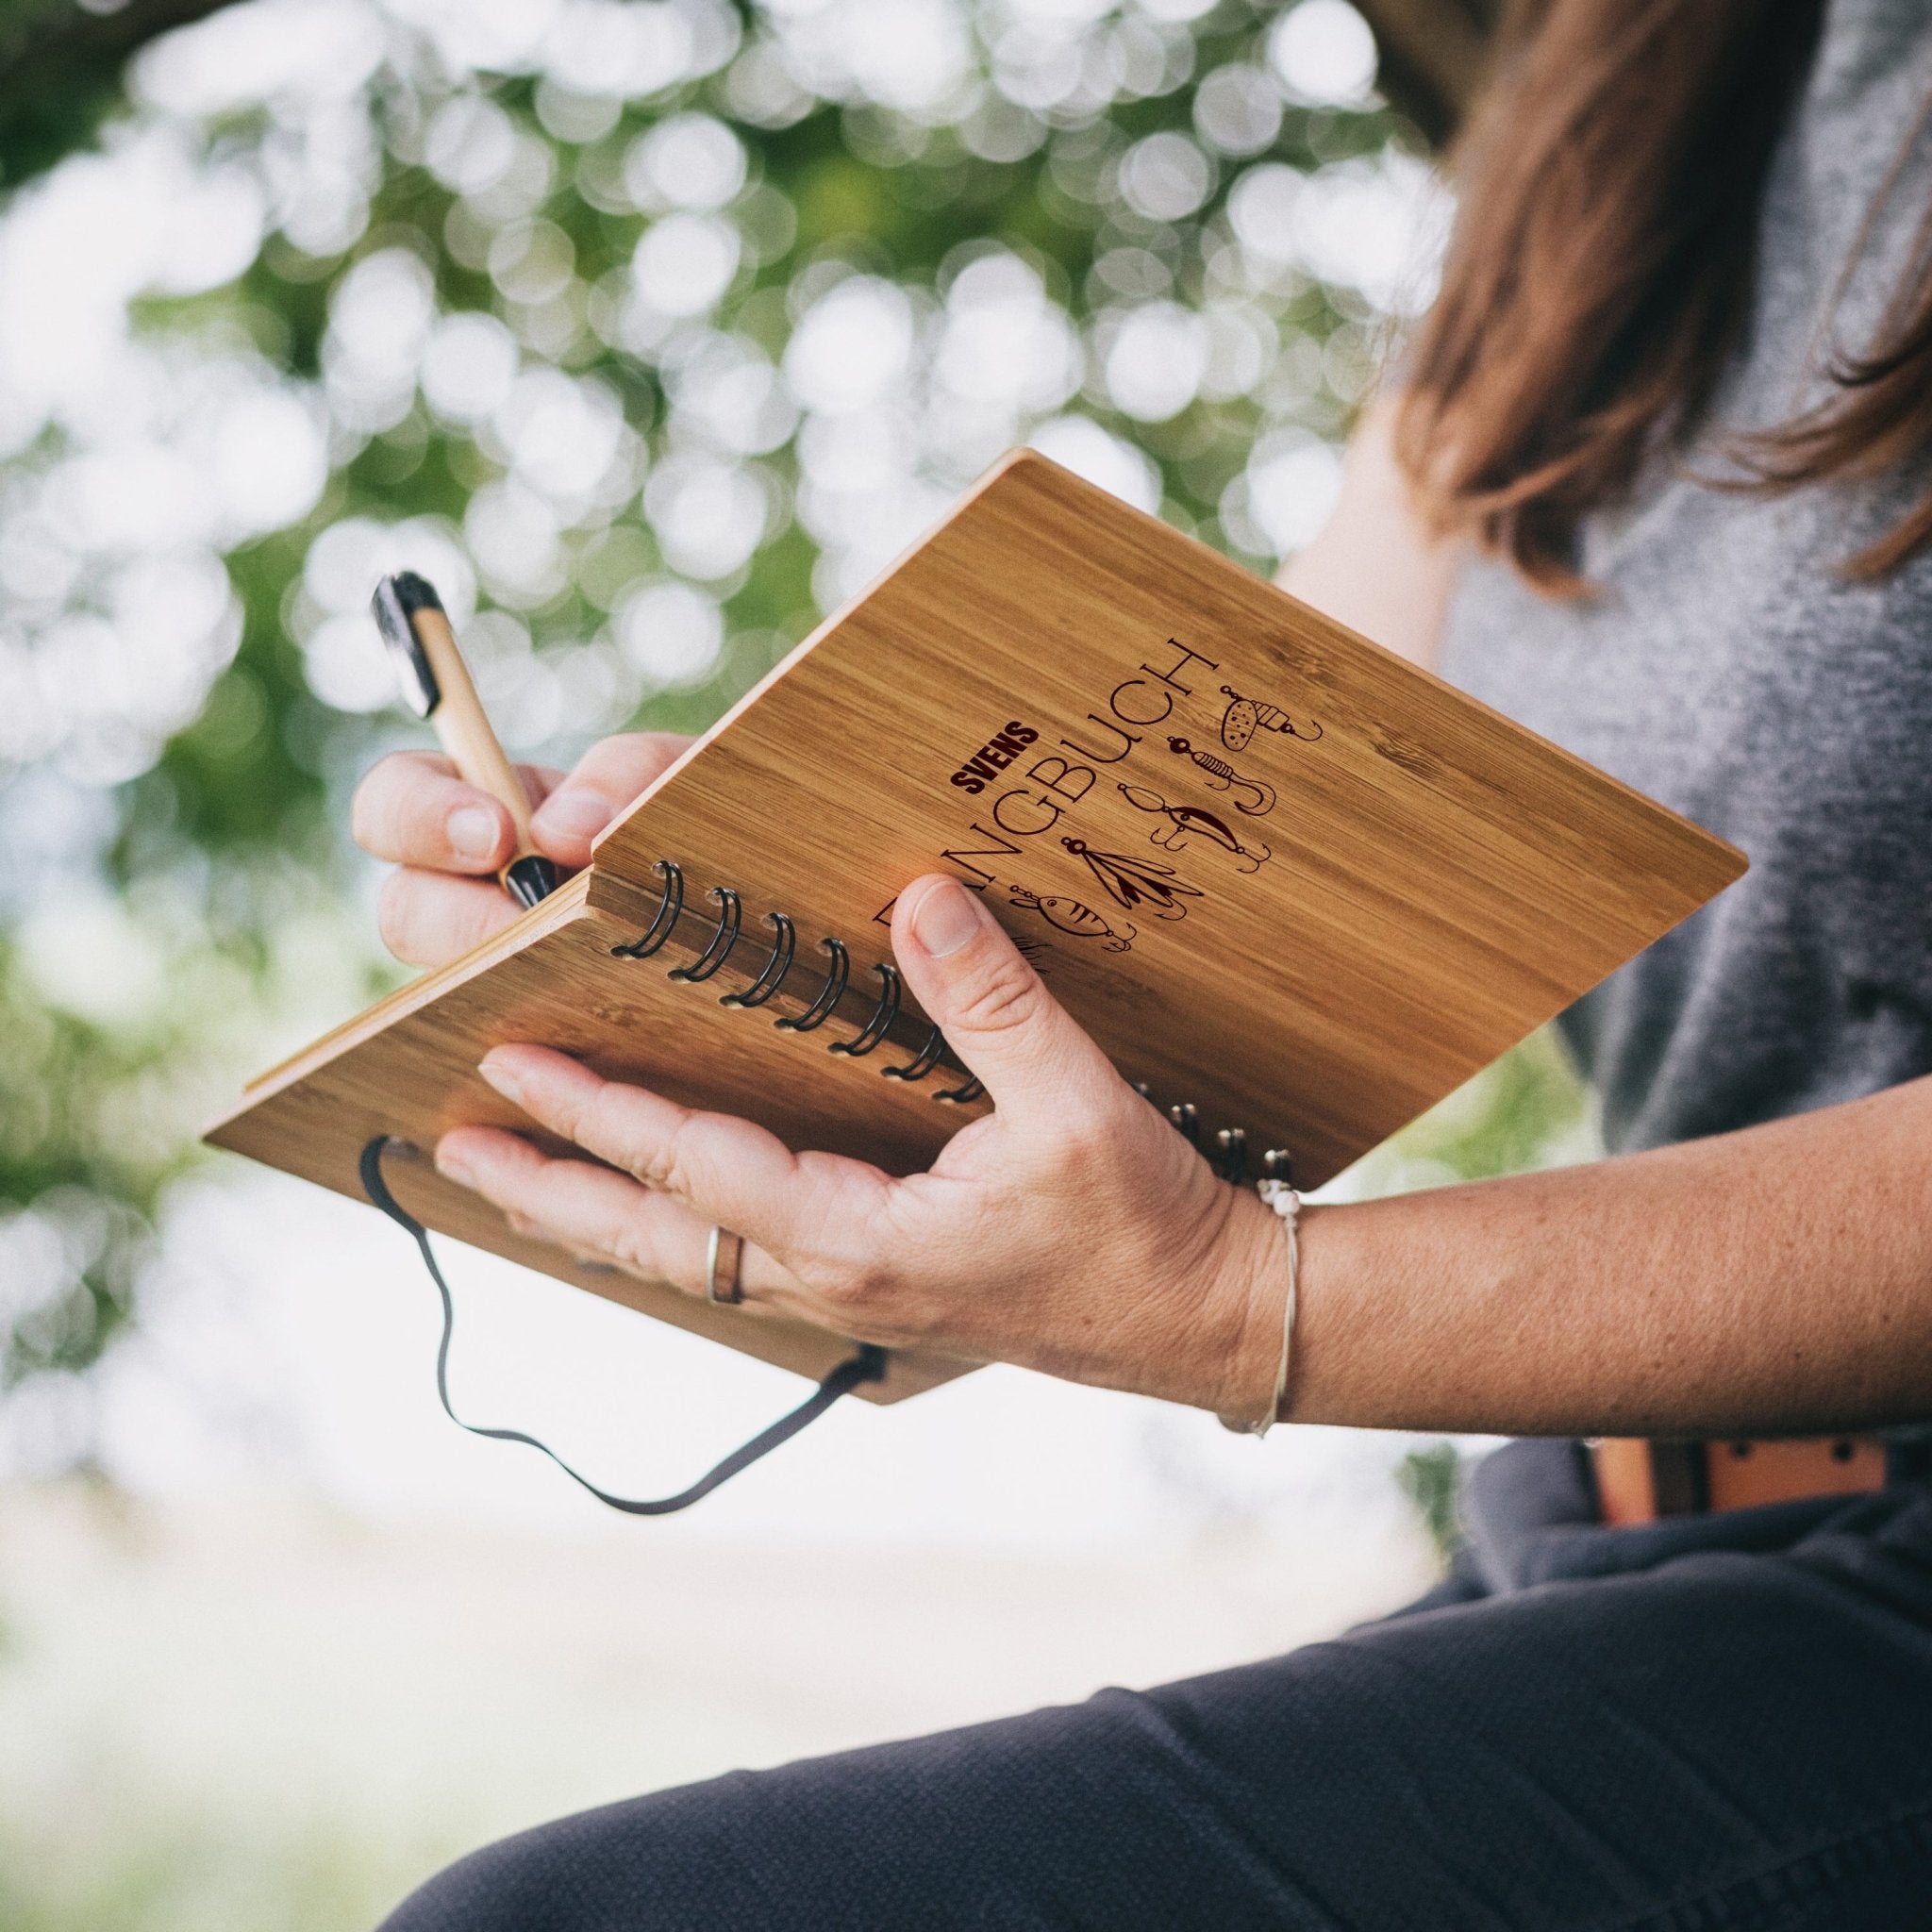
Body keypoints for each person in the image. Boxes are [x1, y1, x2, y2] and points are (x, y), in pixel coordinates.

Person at [368, 1, 1932, 1924]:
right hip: (1612, 1537)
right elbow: (1270, 848)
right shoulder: (1606, 105)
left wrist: (1239, 1303)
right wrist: (756, 924)